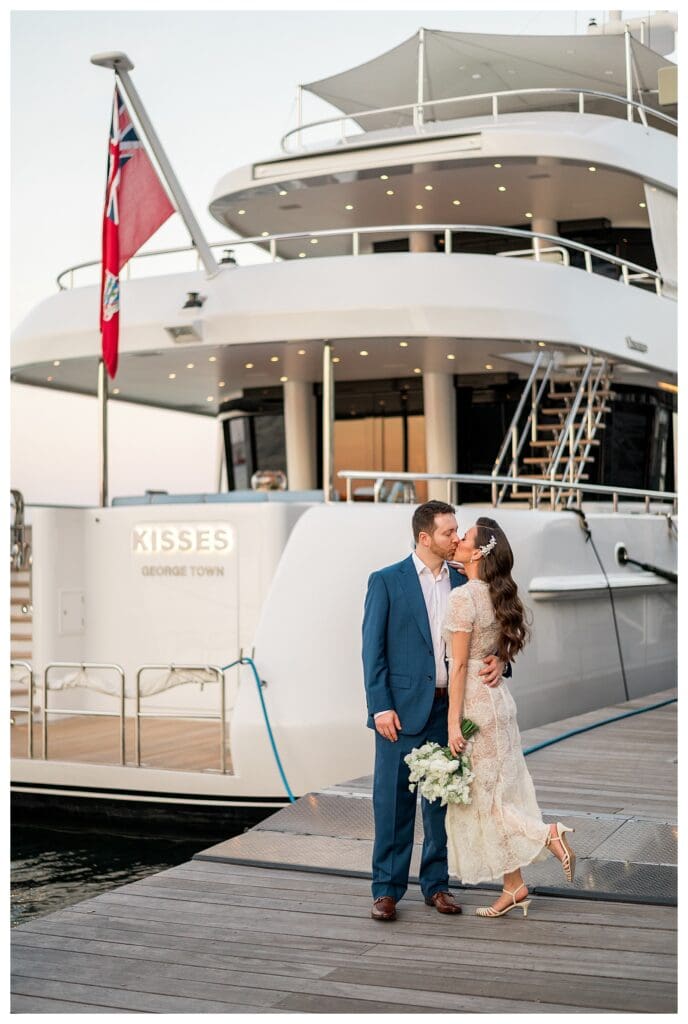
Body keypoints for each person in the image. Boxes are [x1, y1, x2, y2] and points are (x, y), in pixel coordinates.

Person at [361, 500, 510, 922]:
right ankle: (386, 890)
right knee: (392, 803)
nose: (456, 538)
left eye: (457, 530)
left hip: (451, 710)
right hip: (401, 713)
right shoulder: (386, 581)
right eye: (448, 532)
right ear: (425, 537)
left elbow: (492, 633)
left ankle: (437, 886)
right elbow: (373, 653)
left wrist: (501, 659)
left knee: (443, 803)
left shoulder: (466, 580)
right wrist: (381, 707)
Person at [443, 516, 576, 918]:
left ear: (478, 552)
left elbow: (460, 666)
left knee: (489, 801)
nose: (457, 542)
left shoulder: (463, 598)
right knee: (500, 794)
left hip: (476, 708)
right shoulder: (496, 595)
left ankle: (547, 834)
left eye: (463, 538)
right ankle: (513, 887)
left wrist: (452, 724)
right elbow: (496, 649)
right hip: (498, 703)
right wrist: (500, 659)